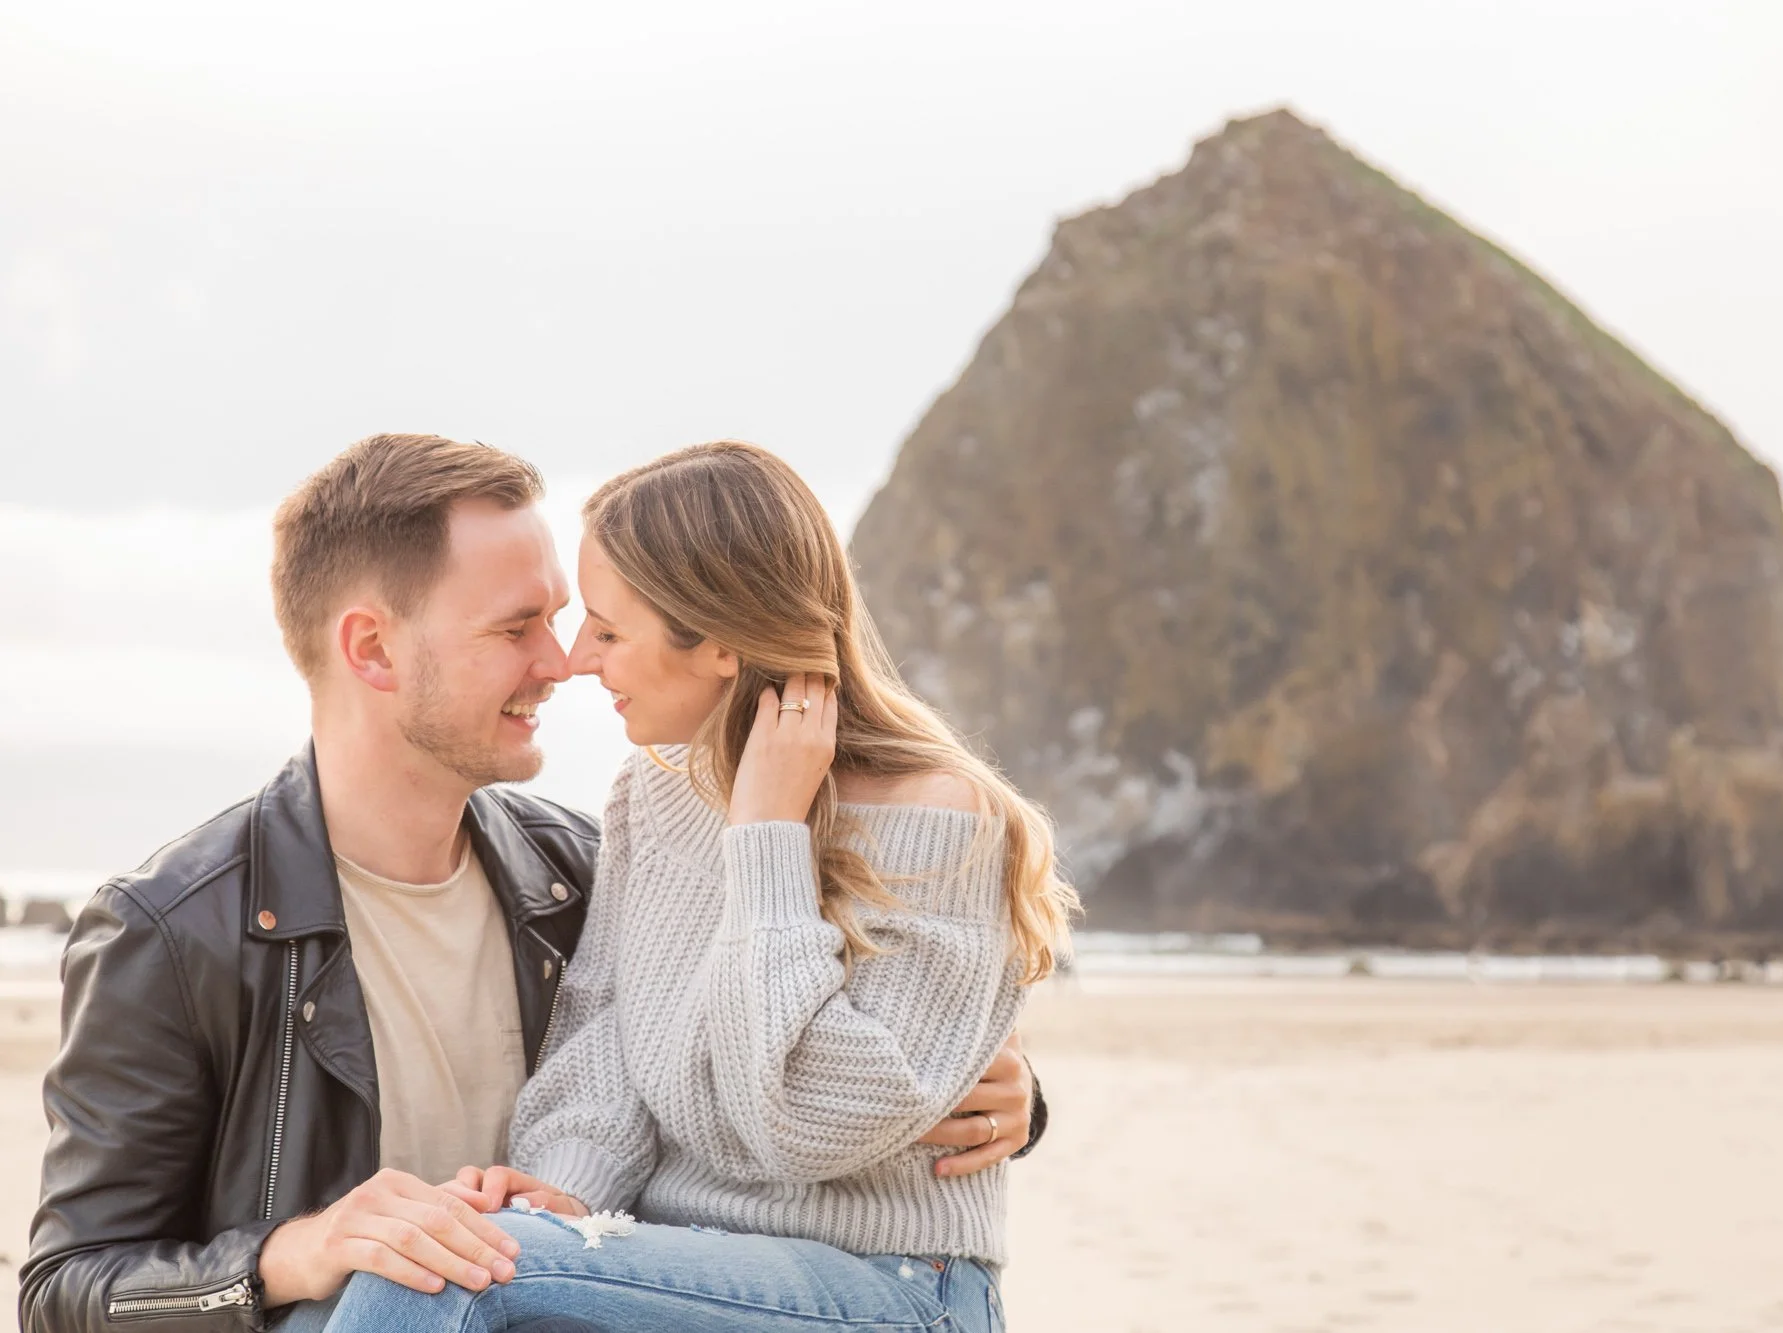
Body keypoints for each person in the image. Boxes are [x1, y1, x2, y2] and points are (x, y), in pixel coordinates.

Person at [21, 434, 1044, 1333]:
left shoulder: (563, 870)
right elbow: (68, 1286)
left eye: (586, 623)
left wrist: (994, 1083)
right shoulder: (173, 933)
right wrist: (310, 1245)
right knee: (413, 1274)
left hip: (808, 1283)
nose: (566, 663)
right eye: (520, 629)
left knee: (438, 1273)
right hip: (449, 1296)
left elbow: (823, 1073)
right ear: (372, 649)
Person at [318, 441, 1079, 1331]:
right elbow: (608, 1026)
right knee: (373, 1283)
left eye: (608, 628)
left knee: (442, 1277)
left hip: (890, 1284)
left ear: (718, 641)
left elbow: (806, 1122)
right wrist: (566, 1184)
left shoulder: (944, 816)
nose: (576, 657)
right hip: (676, 1264)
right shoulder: (654, 789)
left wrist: (766, 837)